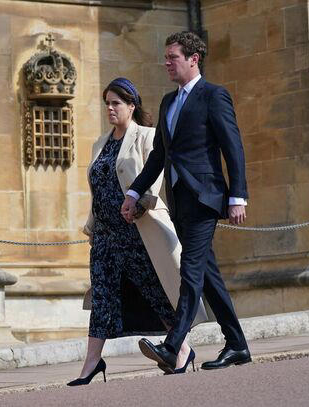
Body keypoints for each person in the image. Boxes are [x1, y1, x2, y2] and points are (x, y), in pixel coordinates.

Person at [121, 31, 251, 372]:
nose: (166, 63)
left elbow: (232, 147)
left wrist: (238, 196)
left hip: (206, 198)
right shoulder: (167, 102)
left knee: (190, 270)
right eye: (165, 57)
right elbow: (159, 156)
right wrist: (134, 192)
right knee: (208, 276)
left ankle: (173, 344)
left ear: (194, 59)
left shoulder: (214, 96)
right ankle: (237, 344)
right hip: (179, 200)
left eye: (172, 57)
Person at [68, 78, 207, 386]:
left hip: (137, 232)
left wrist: (141, 202)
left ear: (132, 105)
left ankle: (182, 349)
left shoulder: (146, 136)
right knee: (102, 298)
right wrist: (91, 225)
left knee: (155, 292)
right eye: (107, 103)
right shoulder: (100, 142)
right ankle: (91, 363)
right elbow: (98, 187)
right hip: (105, 236)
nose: (110, 108)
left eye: (116, 103)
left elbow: (154, 177)